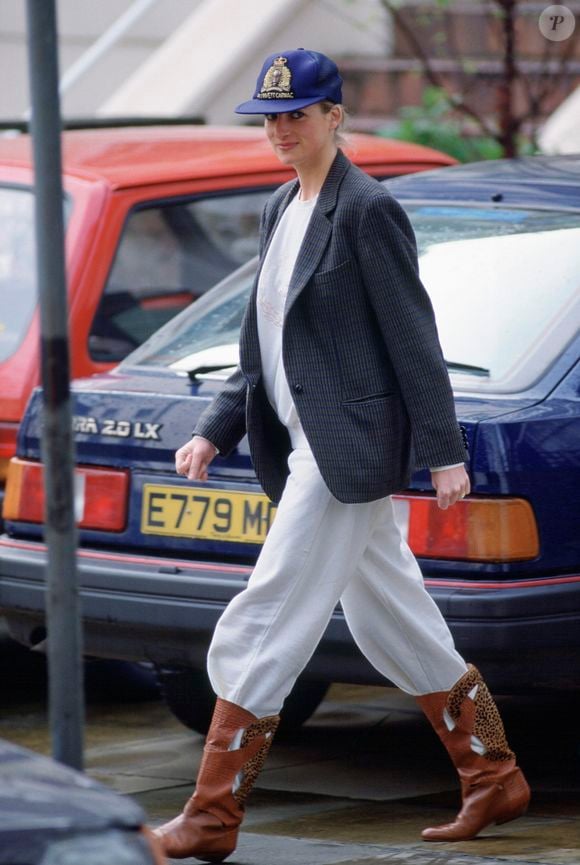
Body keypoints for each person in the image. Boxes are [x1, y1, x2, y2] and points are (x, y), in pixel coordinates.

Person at [153, 48, 530, 862]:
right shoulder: (279, 207)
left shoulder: (367, 210)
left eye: (299, 113)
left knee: (268, 610)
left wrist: (443, 451)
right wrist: (217, 427)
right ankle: (492, 772)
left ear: (335, 116)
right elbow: (261, 341)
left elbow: (414, 337)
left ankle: (213, 814)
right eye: (272, 117)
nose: (283, 129)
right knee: (390, 617)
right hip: (300, 445)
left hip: (347, 452)